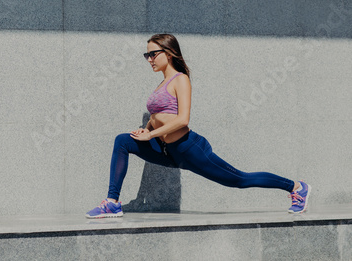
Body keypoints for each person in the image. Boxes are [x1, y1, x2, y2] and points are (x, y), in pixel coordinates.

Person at [85, 33, 311, 219]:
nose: (149, 59)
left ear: (169, 53)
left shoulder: (180, 79)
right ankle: (112, 202)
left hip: (189, 148)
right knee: (122, 141)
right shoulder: (161, 83)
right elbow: (159, 115)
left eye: (153, 54)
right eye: (147, 55)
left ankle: (296, 187)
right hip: (167, 151)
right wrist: (147, 130)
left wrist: (151, 133)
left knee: (239, 179)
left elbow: (182, 119)